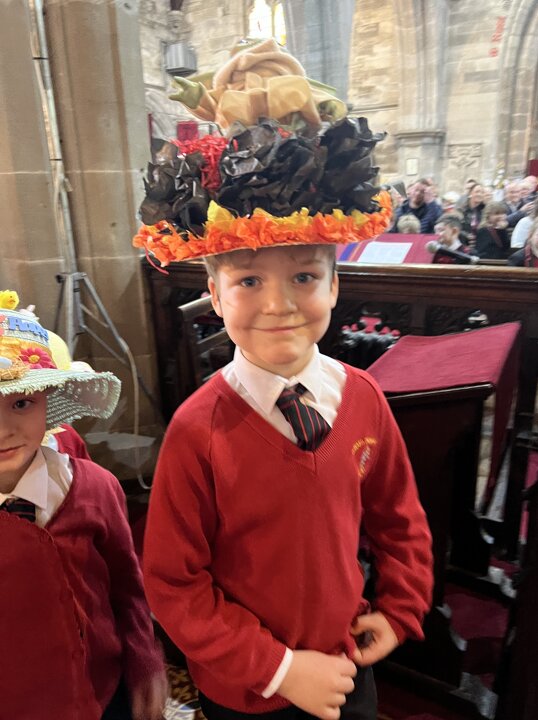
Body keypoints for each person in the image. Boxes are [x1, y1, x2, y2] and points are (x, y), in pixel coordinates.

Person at [137, 41, 433, 720]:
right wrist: (279, 669)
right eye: (248, 281)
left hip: (347, 662)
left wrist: (401, 607)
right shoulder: (196, 431)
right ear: (215, 295)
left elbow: (399, 517)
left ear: (335, 285)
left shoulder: (364, 398)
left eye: (303, 275)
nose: (278, 305)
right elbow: (174, 583)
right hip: (248, 686)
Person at [0, 301, 167, 720]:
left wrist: (144, 656)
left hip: (106, 692)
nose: (3, 430)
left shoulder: (94, 487)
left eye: (21, 404)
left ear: (48, 400)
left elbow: (126, 583)